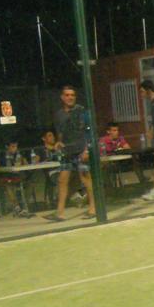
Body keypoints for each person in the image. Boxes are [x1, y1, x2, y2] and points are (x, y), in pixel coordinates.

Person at [46, 85, 96, 221]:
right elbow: (60, 132)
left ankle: (93, 208)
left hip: (81, 150)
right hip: (67, 151)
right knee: (62, 180)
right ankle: (60, 213)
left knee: (86, 179)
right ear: (62, 97)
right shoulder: (58, 114)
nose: (70, 97)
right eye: (67, 95)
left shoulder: (82, 111)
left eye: (72, 95)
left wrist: (87, 149)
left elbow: (89, 131)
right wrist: (58, 142)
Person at [0, 138, 32, 217]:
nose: (15, 148)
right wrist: (1, 169)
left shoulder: (19, 154)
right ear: (7, 147)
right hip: (5, 177)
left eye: (16, 146)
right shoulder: (2, 156)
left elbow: (27, 165)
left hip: (17, 176)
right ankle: (17, 207)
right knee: (8, 185)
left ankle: (24, 207)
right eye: (13, 146)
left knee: (29, 183)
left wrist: (23, 161)